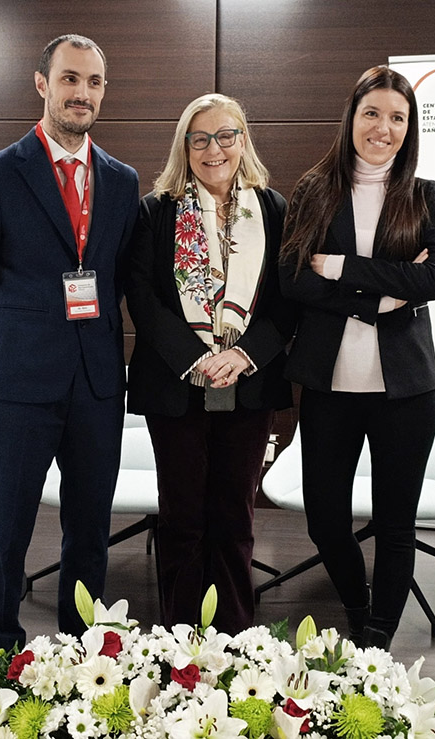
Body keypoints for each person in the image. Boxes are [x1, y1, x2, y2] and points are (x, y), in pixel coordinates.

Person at [0, 34, 140, 650]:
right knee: (5, 531)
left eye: (93, 83)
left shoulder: (121, 180)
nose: (81, 93)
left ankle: (86, 656)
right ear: (43, 84)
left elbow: (120, 282)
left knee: (89, 531)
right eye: (70, 79)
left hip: (98, 384)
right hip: (19, 385)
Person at [279, 66, 435, 650]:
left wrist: (342, 268)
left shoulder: (428, 196)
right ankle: (355, 606)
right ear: (352, 116)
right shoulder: (313, 190)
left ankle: (377, 637)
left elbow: (432, 278)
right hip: (329, 385)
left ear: (410, 127)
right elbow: (293, 279)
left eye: (397, 117)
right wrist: (381, 297)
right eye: (372, 113)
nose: (383, 127)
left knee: (396, 525)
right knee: (324, 520)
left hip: (405, 391)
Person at [125, 94, 294, 634]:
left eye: (225, 136)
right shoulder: (158, 210)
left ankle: (236, 638)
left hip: (249, 384)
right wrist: (196, 358)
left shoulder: (273, 209)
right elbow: (142, 297)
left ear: (243, 141)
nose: (213, 148)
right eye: (199, 138)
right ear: (185, 147)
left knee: (235, 515)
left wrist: (243, 355)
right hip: (177, 385)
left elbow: (288, 300)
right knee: (181, 517)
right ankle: (180, 638)